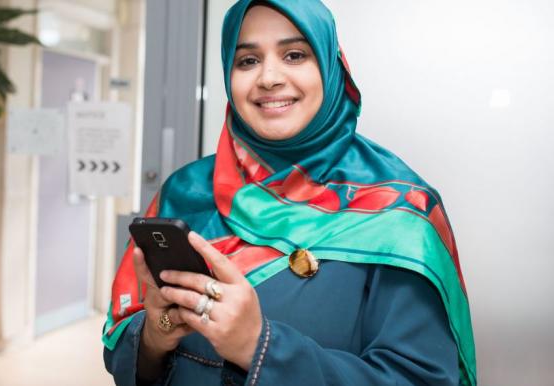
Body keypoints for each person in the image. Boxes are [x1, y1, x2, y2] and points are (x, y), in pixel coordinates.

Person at [103, 0, 476, 385]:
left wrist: (259, 346)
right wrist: (154, 335)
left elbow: (421, 378)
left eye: (294, 55)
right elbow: (125, 356)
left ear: (332, 69)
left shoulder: (397, 209)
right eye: (247, 60)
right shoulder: (185, 191)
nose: (268, 77)